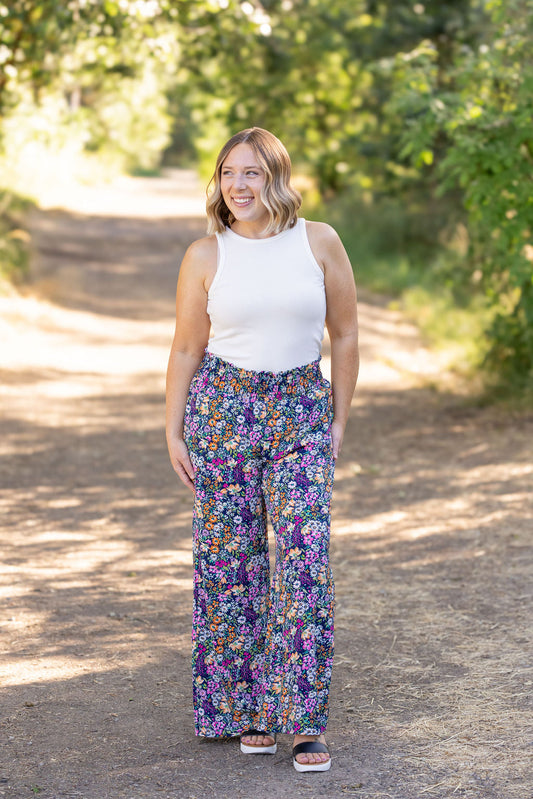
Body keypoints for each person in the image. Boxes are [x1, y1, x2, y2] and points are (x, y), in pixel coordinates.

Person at [166, 127, 358, 772]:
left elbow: (346, 330)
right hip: (223, 410)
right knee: (231, 563)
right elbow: (187, 347)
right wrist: (172, 428)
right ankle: (247, 708)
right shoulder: (205, 254)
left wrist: (338, 418)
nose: (238, 186)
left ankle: (303, 720)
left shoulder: (320, 242)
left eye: (251, 173)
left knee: (305, 561)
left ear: (275, 177)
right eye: (227, 174)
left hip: (301, 406)